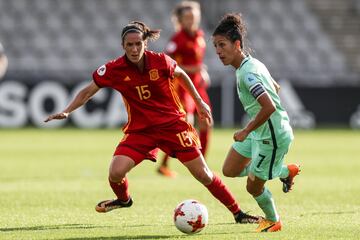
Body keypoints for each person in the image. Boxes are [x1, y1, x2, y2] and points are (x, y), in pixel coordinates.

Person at [45, 20, 261, 224]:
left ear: (144, 43)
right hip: (142, 131)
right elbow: (87, 91)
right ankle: (124, 200)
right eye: (129, 45)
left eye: (138, 44)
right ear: (123, 46)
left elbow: (182, 75)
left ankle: (238, 213)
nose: (134, 49)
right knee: (115, 172)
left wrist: (199, 102)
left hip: (173, 126)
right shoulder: (114, 69)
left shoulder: (160, 61)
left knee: (203, 174)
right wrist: (67, 111)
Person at [212, 14, 300, 232]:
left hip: (272, 136)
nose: (218, 51)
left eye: (222, 45)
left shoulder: (247, 73)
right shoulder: (251, 65)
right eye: (215, 46)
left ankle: (273, 220)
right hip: (259, 132)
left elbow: (269, 106)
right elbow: (275, 88)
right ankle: (283, 171)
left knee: (253, 186)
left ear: (237, 44)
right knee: (230, 169)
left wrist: (245, 130)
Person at [157, 1, 212, 178]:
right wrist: (194, 69)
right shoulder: (176, 40)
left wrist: (201, 72)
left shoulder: (200, 37)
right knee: (184, 125)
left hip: (198, 86)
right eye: (187, 18)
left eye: (194, 17)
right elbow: (168, 64)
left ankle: (202, 164)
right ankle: (163, 164)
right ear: (180, 20)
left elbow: (198, 63)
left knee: (206, 121)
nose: (192, 21)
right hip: (181, 88)